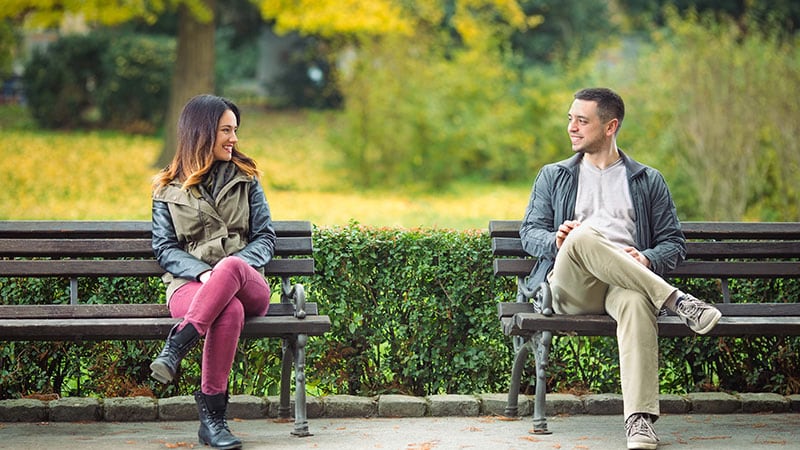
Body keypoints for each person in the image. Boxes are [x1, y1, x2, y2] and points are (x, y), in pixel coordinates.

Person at [519, 87, 722, 450]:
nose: (572, 128)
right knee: (581, 234)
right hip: (571, 287)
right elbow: (529, 232)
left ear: (610, 126)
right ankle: (677, 300)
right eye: (570, 119)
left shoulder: (647, 180)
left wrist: (646, 259)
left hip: (622, 283)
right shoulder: (554, 176)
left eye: (582, 121)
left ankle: (639, 421)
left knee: (636, 300)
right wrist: (557, 240)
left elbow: (673, 243)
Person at [149, 94, 276, 450]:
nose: (234, 139)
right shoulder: (166, 188)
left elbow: (265, 237)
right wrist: (204, 274)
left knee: (232, 266)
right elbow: (165, 249)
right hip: (190, 287)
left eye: (235, 130)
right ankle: (213, 422)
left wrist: (229, 269)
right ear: (201, 133)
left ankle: (178, 343)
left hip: (248, 282)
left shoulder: (247, 178)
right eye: (226, 130)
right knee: (228, 309)